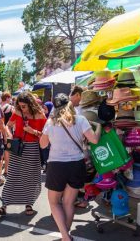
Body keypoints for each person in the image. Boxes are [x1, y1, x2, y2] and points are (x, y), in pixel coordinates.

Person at [40, 93, 101, 241]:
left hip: (56, 165)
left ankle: (65, 236)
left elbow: (43, 145)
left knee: (54, 202)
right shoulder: (80, 119)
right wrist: (98, 127)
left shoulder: (50, 123)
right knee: (68, 202)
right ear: (69, 104)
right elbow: (94, 140)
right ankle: (66, 235)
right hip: (76, 164)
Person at [0, 91, 46, 216]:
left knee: (31, 178)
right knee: (12, 176)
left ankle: (29, 205)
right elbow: (8, 125)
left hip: (32, 148)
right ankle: (4, 205)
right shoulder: (17, 112)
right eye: (20, 106)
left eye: (24, 106)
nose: (22, 109)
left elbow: (45, 135)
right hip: (18, 147)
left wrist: (32, 131)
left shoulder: (40, 115)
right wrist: (9, 134)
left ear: (31, 104)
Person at [0, 92, 14, 176]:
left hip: (0, 131)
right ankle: (6, 170)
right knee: (7, 151)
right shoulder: (11, 107)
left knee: (1, 150)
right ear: (7, 98)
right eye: (10, 97)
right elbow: (14, 120)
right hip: (8, 131)